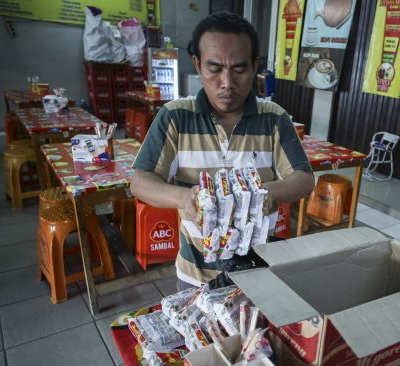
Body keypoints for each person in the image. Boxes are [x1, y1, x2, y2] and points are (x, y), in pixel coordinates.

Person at [131, 12, 315, 289]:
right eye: (214, 68)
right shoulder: (175, 117)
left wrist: (267, 194)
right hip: (197, 274)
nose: (227, 82)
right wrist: (184, 199)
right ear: (197, 64)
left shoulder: (274, 118)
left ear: (255, 66)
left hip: (261, 271)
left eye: (239, 69)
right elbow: (140, 180)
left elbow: (303, 177)